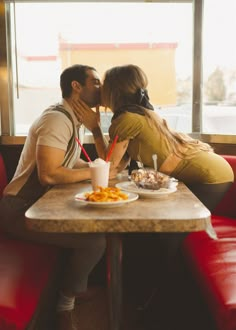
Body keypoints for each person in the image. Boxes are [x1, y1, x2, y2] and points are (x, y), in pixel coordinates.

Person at [73, 64, 234, 327]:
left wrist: (94, 129)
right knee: (162, 237)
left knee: (171, 237)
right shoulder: (140, 114)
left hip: (211, 177)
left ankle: (163, 312)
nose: (101, 90)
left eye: (104, 85)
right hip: (213, 172)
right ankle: (154, 303)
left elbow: (109, 168)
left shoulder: (126, 119)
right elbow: (118, 166)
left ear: (115, 91)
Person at [0, 64, 117, 330]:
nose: (101, 88)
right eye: (95, 82)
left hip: (39, 207)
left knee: (98, 232)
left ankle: (75, 289)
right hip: (18, 210)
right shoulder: (56, 119)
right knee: (94, 241)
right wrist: (94, 174)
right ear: (76, 86)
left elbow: (71, 163)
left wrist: (96, 150)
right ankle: (64, 306)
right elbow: (50, 175)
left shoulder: (72, 120)